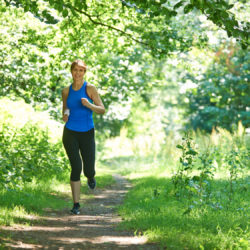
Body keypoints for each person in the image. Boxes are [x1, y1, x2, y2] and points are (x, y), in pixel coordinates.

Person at [62, 59, 105, 215]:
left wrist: (89, 105)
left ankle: (91, 176)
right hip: (70, 132)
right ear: (71, 71)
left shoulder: (90, 88)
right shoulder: (66, 91)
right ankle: (76, 204)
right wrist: (65, 114)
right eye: (75, 70)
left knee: (88, 168)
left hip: (87, 132)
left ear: (84, 72)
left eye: (81, 70)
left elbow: (102, 109)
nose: (78, 73)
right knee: (76, 167)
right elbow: (65, 108)